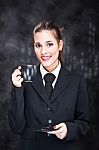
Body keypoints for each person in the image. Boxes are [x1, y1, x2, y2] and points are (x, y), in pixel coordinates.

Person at [8, 21, 89, 150]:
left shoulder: (77, 81)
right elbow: (17, 127)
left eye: (49, 44)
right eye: (38, 45)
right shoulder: (26, 75)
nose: (43, 51)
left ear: (60, 45)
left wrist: (69, 129)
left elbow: (84, 124)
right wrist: (17, 88)